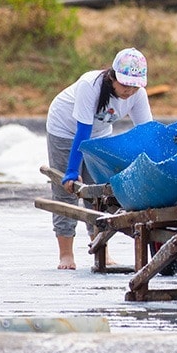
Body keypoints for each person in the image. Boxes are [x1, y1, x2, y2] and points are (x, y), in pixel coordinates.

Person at [45, 47, 153, 270]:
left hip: (100, 133)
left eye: (134, 86)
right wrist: (72, 171)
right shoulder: (90, 85)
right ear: (112, 76)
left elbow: (147, 132)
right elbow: (82, 132)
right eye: (125, 85)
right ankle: (66, 255)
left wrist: (152, 165)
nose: (129, 91)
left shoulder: (137, 95)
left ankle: (101, 249)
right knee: (67, 190)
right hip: (65, 130)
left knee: (98, 191)